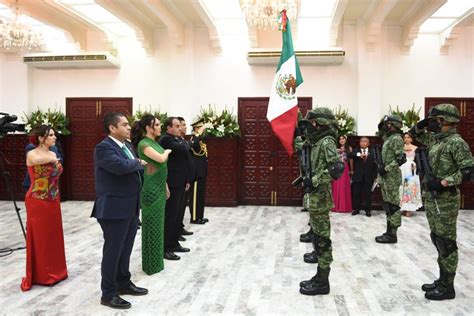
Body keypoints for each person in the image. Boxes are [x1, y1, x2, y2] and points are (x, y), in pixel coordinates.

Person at [410, 103, 473, 300]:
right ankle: (442, 278)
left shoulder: (456, 142)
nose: (433, 124)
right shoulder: (436, 140)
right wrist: (422, 124)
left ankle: (448, 286)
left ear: (446, 121)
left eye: (436, 121)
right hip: (432, 198)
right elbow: (415, 135)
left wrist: (444, 182)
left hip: (445, 199)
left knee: (446, 242)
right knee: (437, 239)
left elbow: (468, 170)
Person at [91, 112, 148, 309]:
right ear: (112, 128)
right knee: (113, 251)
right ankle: (108, 293)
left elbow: (129, 167)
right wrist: (138, 162)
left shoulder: (127, 146)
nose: (129, 127)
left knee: (126, 249)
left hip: (130, 206)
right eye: (124, 125)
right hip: (114, 208)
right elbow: (119, 167)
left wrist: (135, 164)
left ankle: (123, 282)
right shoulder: (104, 147)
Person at [299, 108, 344, 296]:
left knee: (323, 241)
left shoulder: (327, 142)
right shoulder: (316, 141)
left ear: (320, 123)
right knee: (318, 237)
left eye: (313, 122)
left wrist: (315, 180)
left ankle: (323, 281)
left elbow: (336, 169)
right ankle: (320, 277)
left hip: (321, 197)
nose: (310, 126)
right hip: (314, 197)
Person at [21, 125, 68, 291]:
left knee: (52, 236)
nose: (55, 138)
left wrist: (54, 159)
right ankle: (42, 275)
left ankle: (57, 272)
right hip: (37, 200)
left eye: (54, 135)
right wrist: (53, 160)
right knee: (40, 237)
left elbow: (54, 164)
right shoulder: (32, 153)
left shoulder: (53, 153)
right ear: (41, 138)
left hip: (53, 199)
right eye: (51, 135)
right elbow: (37, 162)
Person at [131, 114, 172, 275]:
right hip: (151, 189)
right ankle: (151, 264)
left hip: (159, 186)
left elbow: (160, 168)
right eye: (156, 125)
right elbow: (161, 160)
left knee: (159, 225)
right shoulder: (144, 143)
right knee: (152, 226)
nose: (159, 127)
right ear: (148, 127)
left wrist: (165, 185)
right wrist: (168, 151)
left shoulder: (153, 142)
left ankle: (156, 261)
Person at [159, 117, 191, 260]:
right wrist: (186, 143)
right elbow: (184, 148)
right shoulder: (166, 139)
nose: (180, 128)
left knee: (177, 215)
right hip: (171, 183)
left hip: (180, 181)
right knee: (170, 216)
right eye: (177, 126)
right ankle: (166, 247)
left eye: (180, 126)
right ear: (168, 128)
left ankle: (173, 243)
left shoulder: (177, 139)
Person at [375, 115, 405, 244]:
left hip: (391, 177)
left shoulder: (397, 138)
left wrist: (386, 168)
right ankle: (389, 231)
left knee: (393, 206)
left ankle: (393, 234)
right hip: (385, 177)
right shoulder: (388, 138)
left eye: (387, 124)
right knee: (387, 205)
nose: (385, 126)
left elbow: (400, 159)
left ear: (393, 125)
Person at [348, 137, 376, 217]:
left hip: (368, 176)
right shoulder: (356, 151)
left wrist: (375, 175)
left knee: (368, 194)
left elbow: (375, 164)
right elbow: (349, 154)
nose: (363, 143)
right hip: (357, 176)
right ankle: (356, 209)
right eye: (361, 141)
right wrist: (358, 155)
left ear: (368, 143)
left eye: (365, 141)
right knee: (356, 193)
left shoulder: (372, 151)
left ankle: (368, 210)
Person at [189, 119, 209, 224]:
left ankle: (200, 216)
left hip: (202, 171)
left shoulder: (200, 139)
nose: (203, 130)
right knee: (195, 197)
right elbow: (195, 146)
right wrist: (198, 133)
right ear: (196, 128)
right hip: (196, 173)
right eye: (201, 128)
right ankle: (194, 218)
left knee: (201, 196)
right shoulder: (194, 139)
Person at [399, 133, 422, 216]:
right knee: (402, 186)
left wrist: (415, 166)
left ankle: (409, 208)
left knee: (410, 186)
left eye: (408, 137)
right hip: (402, 167)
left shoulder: (415, 148)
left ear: (411, 139)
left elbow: (418, 160)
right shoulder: (400, 147)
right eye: (405, 137)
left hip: (411, 168)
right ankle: (403, 207)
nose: (406, 139)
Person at [331, 135, 353, 213]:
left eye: (343, 139)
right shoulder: (335, 149)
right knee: (336, 186)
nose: (341, 140)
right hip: (337, 168)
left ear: (346, 140)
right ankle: (335, 206)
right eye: (340, 139)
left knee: (344, 186)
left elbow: (351, 160)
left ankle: (344, 207)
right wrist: (337, 151)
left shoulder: (349, 148)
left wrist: (352, 169)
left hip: (345, 168)